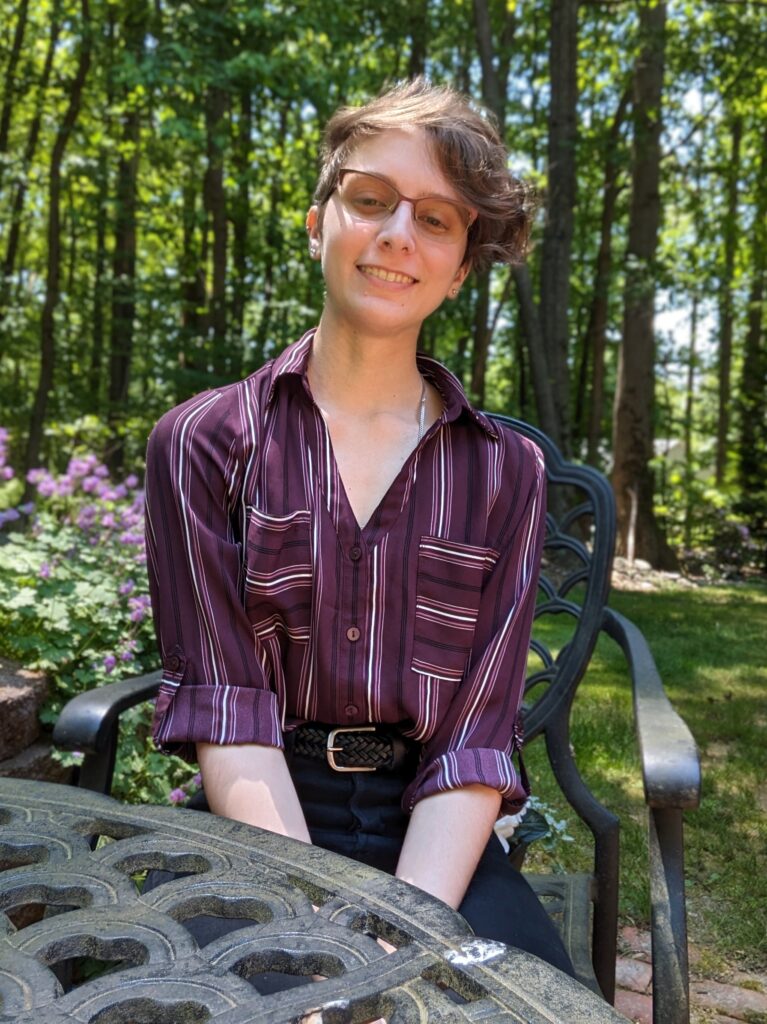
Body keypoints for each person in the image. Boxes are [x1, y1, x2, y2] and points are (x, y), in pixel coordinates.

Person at [144, 77, 573, 979]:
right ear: (318, 221)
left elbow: (475, 740)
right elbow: (228, 712)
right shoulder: (203, 442)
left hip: (434, 827)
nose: (395, 235)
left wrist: (399, 932)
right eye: (370, 200)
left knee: (527, 1001)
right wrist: (320, 938)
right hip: (258, 818)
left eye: (436, 219)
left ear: (460, 268)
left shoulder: (506, 473)